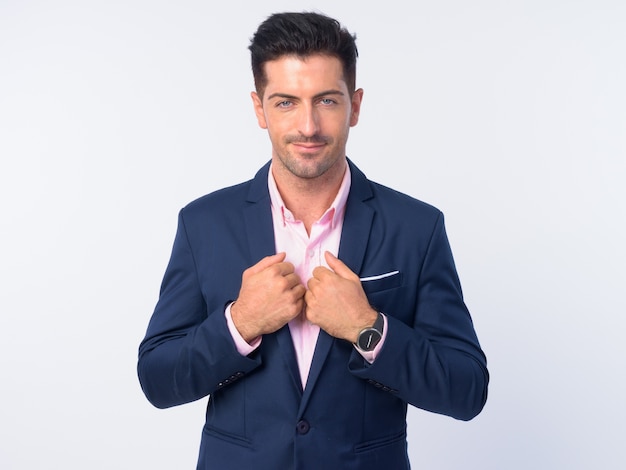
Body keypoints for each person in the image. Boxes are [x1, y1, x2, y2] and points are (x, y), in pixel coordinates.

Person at [138, 11, 488, 470]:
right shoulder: (204, 224)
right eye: (285, 102)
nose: (308, 126)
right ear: (259, 108)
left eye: (326, 100)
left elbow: (466, 390)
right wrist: (239, 324)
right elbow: (158, 380)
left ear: (355, 105)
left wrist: (369, 328)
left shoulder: (416, 228)